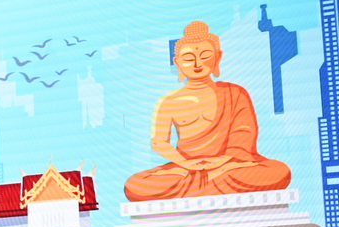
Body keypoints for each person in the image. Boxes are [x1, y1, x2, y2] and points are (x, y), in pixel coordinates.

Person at [124, 20, 291, 201]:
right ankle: (207, 183)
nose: (197, 63)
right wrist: (185, 163)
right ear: (178, 63)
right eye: (189, 58)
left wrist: (223, 161)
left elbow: (243, 134)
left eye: (205, 55)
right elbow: (159, 142)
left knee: (279, 172)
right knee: (136, 184)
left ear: (217, 57)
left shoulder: (235, 93)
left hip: (228, 165)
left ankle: (201, 185)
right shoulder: (168, 101)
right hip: (186, 167)